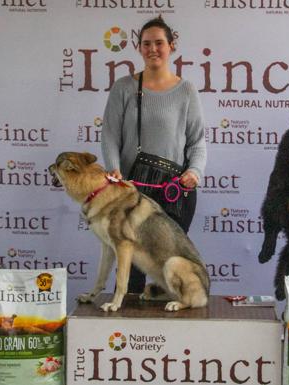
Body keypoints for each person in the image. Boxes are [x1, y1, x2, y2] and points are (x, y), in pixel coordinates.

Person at [101, 16, 207, 292]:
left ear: (171, 46)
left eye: (159, 43)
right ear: (139, 48)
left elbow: (197, 142)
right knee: (132, 262)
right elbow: (110, 135)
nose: (153, 49)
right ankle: (128, 328)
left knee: (172, 262)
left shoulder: (187, 91)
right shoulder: (123, 88)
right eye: (146, 43)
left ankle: (174, 327)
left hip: (175, 190)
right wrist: (113, 170)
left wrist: (194, 171)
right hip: (132, 190)